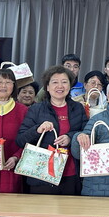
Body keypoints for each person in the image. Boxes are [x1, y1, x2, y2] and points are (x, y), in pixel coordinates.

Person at [17, 66, 87, 195]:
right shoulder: (36, 109)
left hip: (71, 174)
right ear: (47, 87)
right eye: (55, 82)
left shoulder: (78, 108)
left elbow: (85, 133)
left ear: (70, 86)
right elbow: (20, 140)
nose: (60, 86)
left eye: (64, 82)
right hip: (41, 174)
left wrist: (70, 137)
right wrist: (37, 129)